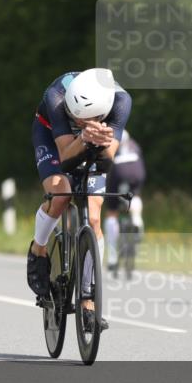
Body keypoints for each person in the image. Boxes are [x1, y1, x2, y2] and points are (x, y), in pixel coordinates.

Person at [27, 68, 131, 331]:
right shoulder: (56, 98)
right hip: (52, 137)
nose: (77, 119)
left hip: (92, 142)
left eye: (84, 118)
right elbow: (66, 158)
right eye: (74, 116)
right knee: (61, 194)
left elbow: (106, 163)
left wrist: (101, 143)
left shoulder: (120, 102)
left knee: (95, 215)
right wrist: (84, 135)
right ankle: (38, 250)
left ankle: (88, 301)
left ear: (103, 112)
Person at [104, 129, 146, 273]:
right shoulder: (134, 145)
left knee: (111, 213)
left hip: (117, 172)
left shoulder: (110, 143)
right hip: (136, 173)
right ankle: (137, 220)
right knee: (135, 195)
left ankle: (112, 257)